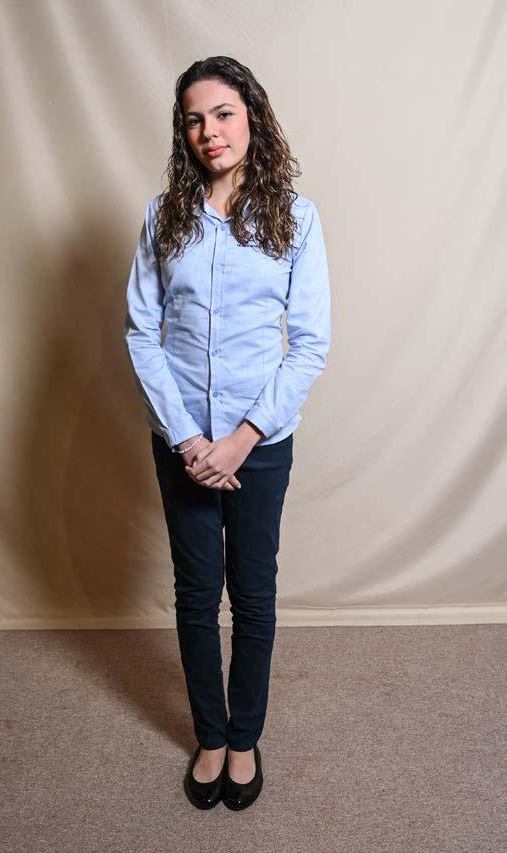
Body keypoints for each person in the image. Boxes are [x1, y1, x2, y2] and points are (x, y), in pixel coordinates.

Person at [123, 55, 332, 811]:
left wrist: (242, 437)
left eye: (222, 114)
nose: (209, 131)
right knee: (194, 593)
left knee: (252, 592)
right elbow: (142, 332)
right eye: (194, 119)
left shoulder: (296, 219)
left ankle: (244, 738)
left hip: (259, 445)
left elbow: (309, 343)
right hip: (180, 442)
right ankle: (209, 736)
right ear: (183, 133)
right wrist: (187, 438)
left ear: (252, 117)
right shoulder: (163, 217)